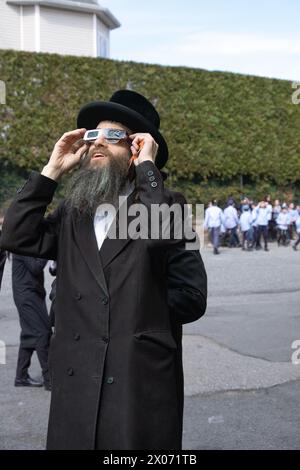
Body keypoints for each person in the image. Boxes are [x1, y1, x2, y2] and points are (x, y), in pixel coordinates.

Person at [0, 90, 207, 450]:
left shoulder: (170, 204)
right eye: (93, 135)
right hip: (76, 376)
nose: (98, 143)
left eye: (113, 137)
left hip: (136, 377)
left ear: (137, 149)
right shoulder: (72, 211)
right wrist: (51, 171)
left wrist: (149, 171)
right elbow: (16, 235)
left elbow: (192, 297)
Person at [12, 254, 52, 390]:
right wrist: (48, 253)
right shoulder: (23, 245)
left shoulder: (26, 241)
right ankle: (49, 379)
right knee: (43, 332)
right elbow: (36, 267)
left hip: (31, 293)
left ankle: (21, 376)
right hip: (26, 295)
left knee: (29, 334)